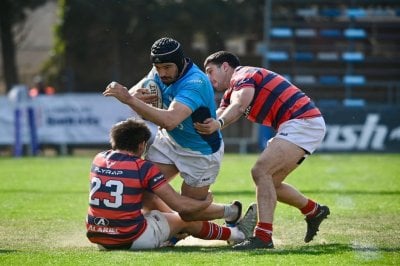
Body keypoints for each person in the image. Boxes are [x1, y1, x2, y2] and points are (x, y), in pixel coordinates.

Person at [103, 38, 256, 233]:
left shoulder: (195, 82)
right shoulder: (158, 71)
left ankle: (231, 212)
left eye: (167, 67)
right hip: (168, 141)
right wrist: (134, 95)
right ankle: (178, 229)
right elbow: (134, 92)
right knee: (143, 191)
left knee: (189, 212)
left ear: (180, 62)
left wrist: (130, 100)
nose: (162, 73)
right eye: (158, 68)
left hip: (200, 152)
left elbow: (170, 120)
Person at [194, 51, 330, 249]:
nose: (208, 77)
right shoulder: (230, 92)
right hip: (298, 124)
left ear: (225, 67)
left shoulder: (242, 75)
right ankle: (314, 211)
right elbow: (220, 115)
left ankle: (263, 237)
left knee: (260, 171)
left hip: (302, 121)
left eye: (210, 71)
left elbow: (239, 106)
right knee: (270, 183)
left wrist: (218, 123)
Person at [86, 118, 255, 250]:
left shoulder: (98, 159)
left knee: (152, 203)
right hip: (129, 238)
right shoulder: (142, 167)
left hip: (99, 237)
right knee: (185, 218)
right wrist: (204, 202)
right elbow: (180, 205)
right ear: (141, 145)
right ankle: (237, 234)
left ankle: (176, 232)